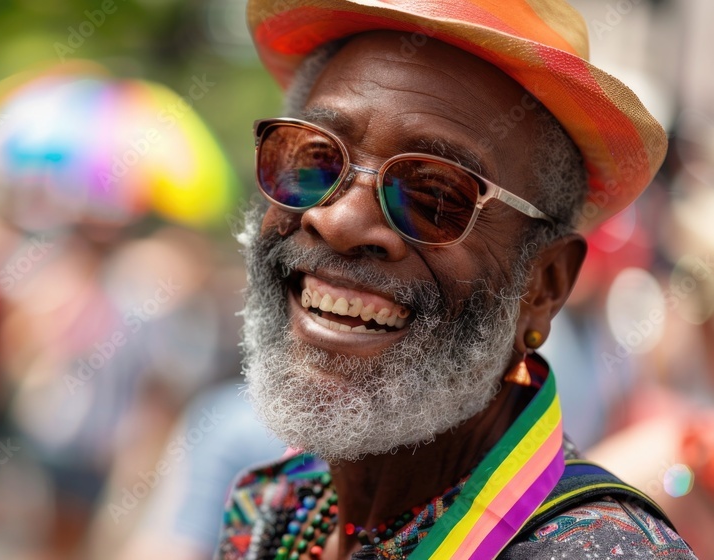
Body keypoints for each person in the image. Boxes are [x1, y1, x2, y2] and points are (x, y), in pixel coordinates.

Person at [217, 0, 697, 558]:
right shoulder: (275, 505)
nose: (337, 220)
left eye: (436, 195)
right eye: (316, 160)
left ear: (544, 285)